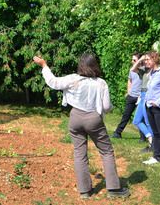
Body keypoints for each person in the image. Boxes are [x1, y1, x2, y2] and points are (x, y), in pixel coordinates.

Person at [33, 54, 130, 199]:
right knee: (106, 151)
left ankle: (85, 191)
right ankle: (114, 189)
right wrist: (108, 109)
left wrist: (44, 65)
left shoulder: (73, 79)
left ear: (81, 66)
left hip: (75, 117)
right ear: (95, 65)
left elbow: (53, 82)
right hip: (93, 119)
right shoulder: (101, 83)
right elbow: (106, 106)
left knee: (80, 153)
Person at [112, 53, 147, 141]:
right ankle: (117, 133)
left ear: (140, 60)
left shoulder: (144, 70)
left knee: (140, 117)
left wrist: (140, 60)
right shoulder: (132, 70)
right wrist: (128, 92)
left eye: (134, 60)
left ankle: (143, 137)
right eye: (132, 60)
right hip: (132, 96)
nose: (132, 62)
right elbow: (130, 80)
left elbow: (134, 68)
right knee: (126, 116)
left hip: (140, 97)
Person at [132, 54, 154, 152]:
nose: (146, 61)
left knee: (148, 121)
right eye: (145, 60)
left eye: (148, 59)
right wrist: (140, 59)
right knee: (136, 120)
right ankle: (150, 139)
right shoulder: (143, 70)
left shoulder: (156, 71)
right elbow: (132, 69)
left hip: (150, 95)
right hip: (143, 95)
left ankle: (152, 144)